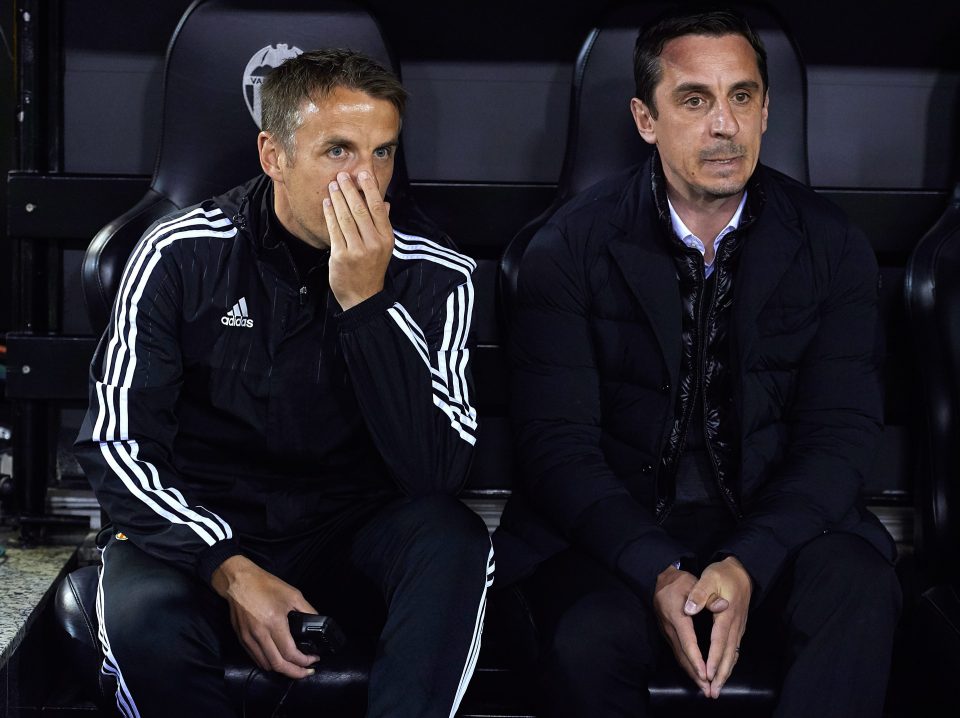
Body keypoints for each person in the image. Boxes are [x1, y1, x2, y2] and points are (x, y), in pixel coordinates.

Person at [492, 8, 901, 717]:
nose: (724, 125)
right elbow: (556, 450)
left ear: (767, 112)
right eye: (694, 99)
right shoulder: (565, 248)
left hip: (783, 527)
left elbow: (841, 437)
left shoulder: (832, 245)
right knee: (583, 638)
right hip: (614, 532)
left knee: (858, 593)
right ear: (645, 120)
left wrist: (749, 561)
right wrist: (656, 568)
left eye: (742, 97)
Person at [74, 49, 493, 718]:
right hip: (209, 522)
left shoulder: (439, 274)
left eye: (382, 153)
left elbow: (437, 472)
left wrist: (368, 304)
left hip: (352, 526)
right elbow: (117, 442)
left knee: (452, 541)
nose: (365, 178)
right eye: (338, 151)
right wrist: (230, 568)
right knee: (144, 617)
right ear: (274, 156)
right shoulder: (180, 252)